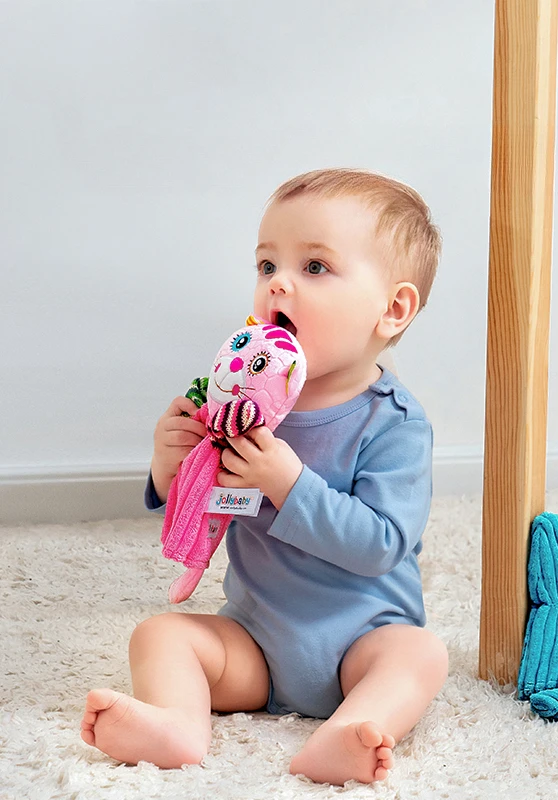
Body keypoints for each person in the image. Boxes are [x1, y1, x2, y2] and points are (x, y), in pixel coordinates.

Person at [80, 168, 448, 785]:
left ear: (392, 308)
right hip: (255, 642)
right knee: (159, 634)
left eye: (315, 267)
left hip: (362, 643)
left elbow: (383, 545)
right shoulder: (241, 402)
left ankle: (347, 733)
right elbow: (207, 504)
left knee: (421, 655)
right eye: (266, 265)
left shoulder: (395, 424)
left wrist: (288, 483)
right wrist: (171, 466)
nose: (278, 283)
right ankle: (178, 724)